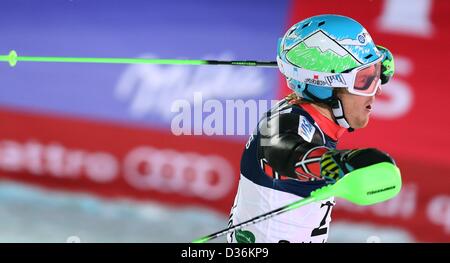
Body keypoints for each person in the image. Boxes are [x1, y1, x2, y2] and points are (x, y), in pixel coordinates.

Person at [227, 14, 396, 243]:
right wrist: (337, 163)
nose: (377, 91)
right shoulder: (284, 123)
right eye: (364, 80)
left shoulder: (314, 114)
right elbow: (282, 150)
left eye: (377, 74)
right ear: (325, 87)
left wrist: (377, 67)